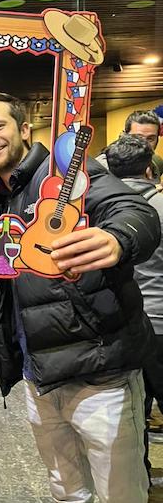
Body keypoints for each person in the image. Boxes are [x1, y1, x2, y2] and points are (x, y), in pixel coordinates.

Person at [0, 91, 163, 503]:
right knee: (68, 500)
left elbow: (135, 213)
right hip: (40, 378)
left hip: (102, 375)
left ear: (23, 130)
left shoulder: (66, 175)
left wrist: (117, 238)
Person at [107, 133, 163, 458]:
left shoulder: (99, 210)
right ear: (148, 170)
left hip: (123, 326)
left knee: (133, 414)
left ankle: (140, 477)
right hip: (160, 321)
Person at [98, 109, 163, 181]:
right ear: (124, 136)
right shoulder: (104, 165)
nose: (145, 144)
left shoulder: (156, 163)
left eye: (150, 139)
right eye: (138, 138)